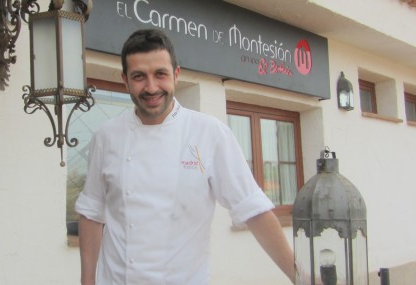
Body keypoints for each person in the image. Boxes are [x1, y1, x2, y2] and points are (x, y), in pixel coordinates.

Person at [75, 28, 295, 285]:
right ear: (125, 80)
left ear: (176, 75)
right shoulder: (107, 136)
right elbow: (91, 213)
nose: (151, 87)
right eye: (139, 76)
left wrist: (300, 277)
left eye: (160, 74)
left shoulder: (209, 133)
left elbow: (253, 209)